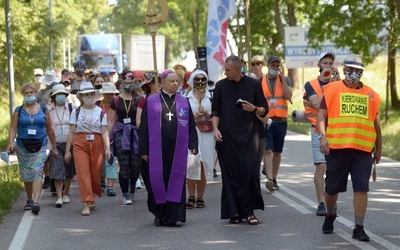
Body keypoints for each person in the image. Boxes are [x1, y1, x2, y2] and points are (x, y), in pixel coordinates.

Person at [318, 54, 381, 241]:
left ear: (362, 72)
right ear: (344, 70)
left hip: (363, 150)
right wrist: (323, 137)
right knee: (331, 188)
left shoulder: (372, 95)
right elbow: (321, 116)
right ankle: (330, 214)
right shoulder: (331, 89)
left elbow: (376, 124)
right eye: (350, 70)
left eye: (357, 71)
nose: (354, 73)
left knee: (361, 188)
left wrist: (379, 148)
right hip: (337, 147)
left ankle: (359, 227)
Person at [211, 55, 268, 225]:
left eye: (228, 70)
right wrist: (215, 129)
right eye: (225, 70)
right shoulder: (221, 86)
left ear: (238, 69)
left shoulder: (254, 84)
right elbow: (215, 112)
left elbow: (265, 110)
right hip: (226, 137)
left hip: (250, 136)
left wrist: (254, 108)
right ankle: (234, 212)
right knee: (230, 174)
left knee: (249, 173)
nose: (225, 72)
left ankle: (249, 212)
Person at [138, 70, 198, 226]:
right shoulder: (151, 102)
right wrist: (143, 149)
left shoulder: (184, 101)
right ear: (162, 83)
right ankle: (159, 214)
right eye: (171, 81)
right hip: (156, 149)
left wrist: (193, 144)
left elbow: (191, 125)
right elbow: (143, 127)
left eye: (177, 81)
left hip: (177, 148)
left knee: (176, 179)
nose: (175, 84)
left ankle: (173, 216)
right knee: (157, 181)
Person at [7, 83, 58, 215]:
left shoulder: (43, 109)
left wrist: (54, 147)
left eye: (31, 93)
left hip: (40, 145)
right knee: (26, 174)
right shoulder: (18, 111)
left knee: (36, 171)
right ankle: (29, 199)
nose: (29, 95)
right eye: (26, 93)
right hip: (22, 146)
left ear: (35, 94)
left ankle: (36, 202)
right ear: (23, 95)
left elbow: (50, 129)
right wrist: (10, 143)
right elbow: (13, 129)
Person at [64, 82, 112, 216]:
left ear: (95, 96)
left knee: (95, 174)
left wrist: (107, 148)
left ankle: (91, 194)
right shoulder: (76, 112)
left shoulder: (101, 112)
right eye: (86, 95)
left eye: (91, 94)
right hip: (80, 142)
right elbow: (71, 132)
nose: (89, 97)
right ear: (81, 96)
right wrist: (67, 150)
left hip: (97, 143)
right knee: (83, 172)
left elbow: (104, 132)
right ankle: (86, 202)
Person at [303, 52, 341, 216]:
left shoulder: (340, 83)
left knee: (334, 168)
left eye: (330, 63)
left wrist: (338, 83)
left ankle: (331, 200)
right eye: (324, 63)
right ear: (319, 65)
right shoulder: (311, 84)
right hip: (317, 129)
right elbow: (317, 103)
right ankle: (321, 203)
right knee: (321, 165)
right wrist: (331, 87)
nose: (327, 66)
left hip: (336, 130)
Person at [107, 76, 142, 205]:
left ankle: (133, 184)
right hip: (120, 133)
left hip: (136, 133)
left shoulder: (139, 99)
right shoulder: (116, 100)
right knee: (124, 163)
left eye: (130, 83)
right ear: (121, 84)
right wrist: (107, 138)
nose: (128, 85)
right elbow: (111, 120)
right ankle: (125, 194)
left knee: (136, 164)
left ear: (134, 84)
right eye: (125, 83)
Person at [185, 70, 216, 209]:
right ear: (192, 80)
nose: (200, 82)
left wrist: (207, 114)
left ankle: (200, 197)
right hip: (192, 133)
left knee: (204, 164)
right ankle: (191, 195)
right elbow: (182, 116)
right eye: (197, 79)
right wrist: (194, 117)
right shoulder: (186, 97)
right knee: (191, 163)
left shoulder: (212, 97)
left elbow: (217, 115)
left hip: (207, 134)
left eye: (203, 79)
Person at [261, 55, 293, 191]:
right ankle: (268, 178)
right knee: (268, 149)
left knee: (277, 152)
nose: (275, 68)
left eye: (277, 66)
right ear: (268, 66)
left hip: (281, 120)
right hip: (267, 120)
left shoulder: (284, 80)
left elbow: (288, 96)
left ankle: (274, 178)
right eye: (273, 65)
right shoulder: (260, 81)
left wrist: (283, 79)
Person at [47, 83, 76, 207]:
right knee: (57, 169)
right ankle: (59, 196)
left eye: (63, 94)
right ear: (53, 96)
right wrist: (52, 147)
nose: (61, 96)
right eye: (58, 94)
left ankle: (66, 193)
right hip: (54, 143)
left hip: (70, 143)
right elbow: (47, 128)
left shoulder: (72, 107)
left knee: (69, 170)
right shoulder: (48, 109)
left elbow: (74, 127)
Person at [99, 82, 120, 197]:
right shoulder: (97, 105)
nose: (110, 96)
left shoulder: (117, 104)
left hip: (113, 135)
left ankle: (110, 186)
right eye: (107, 94)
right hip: (98, 135)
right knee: (99, 160)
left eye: (111, 93)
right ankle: (101, 181)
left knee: (111, 159)